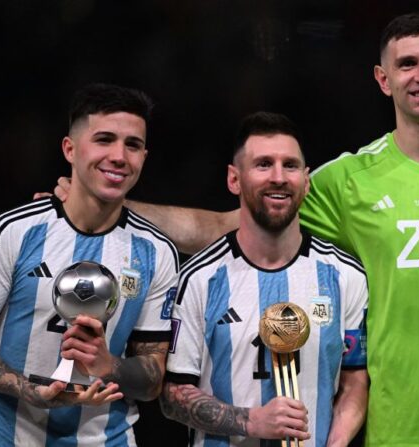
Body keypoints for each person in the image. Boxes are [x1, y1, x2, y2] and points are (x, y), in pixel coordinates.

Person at [48, 12, 419, 446]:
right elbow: (230, 225)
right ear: (383, 79)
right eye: (406, 64)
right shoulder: (346, 181)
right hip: (400, 427)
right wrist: (106, 204)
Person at [158, 111, 368, 447]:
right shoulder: (199, 278)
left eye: (290, 165)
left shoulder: (345, 275)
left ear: (307, 179)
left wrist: (336, 444)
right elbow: (171, 396)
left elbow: (355, 381)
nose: (279, 177)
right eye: (263, 164)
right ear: (234, 179)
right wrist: (250, 421)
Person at [0, 83, 179, 445]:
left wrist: (110, 365)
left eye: (133, 145)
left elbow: (153, 380)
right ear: (70, 149)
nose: (119, 156)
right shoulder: (14, 232)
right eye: (104, 139)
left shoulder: (156, 253)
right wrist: (32, 391)